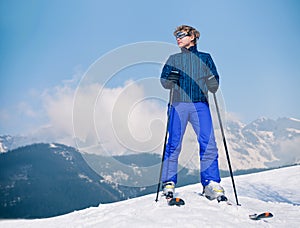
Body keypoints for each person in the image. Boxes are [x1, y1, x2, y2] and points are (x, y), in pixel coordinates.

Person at [160, 25, 226, 201]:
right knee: (173, 144)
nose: (178, 39)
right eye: (176, 36)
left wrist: (212, 81)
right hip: (178, 104)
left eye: (181, 35)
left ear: (193, 37)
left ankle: (211, 182)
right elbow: (164, 81)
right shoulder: (173, 59)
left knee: (208, 143)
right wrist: (169, 80)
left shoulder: (206, 58)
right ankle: (168, 182)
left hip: (199, 104)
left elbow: (215, 83)